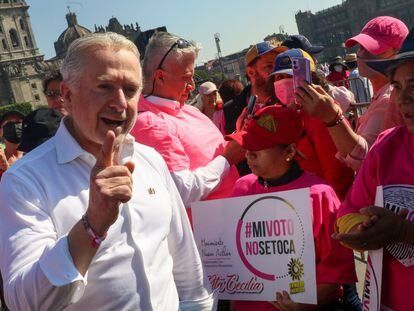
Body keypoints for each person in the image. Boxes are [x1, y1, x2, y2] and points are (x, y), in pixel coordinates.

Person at [0, 32, 214, 310]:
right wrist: (92, 225)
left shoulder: (151, 160)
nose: (121, 103)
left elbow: (186, 264)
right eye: (104, 87)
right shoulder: (24, 181)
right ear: (67, 94)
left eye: (131, 89)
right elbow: (24, 302)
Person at [226, 106, 357, 311]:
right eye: (246, 145)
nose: (248, 154)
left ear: (289, 152)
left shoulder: (319, 195)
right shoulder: (241, 187)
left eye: (258, 147)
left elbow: (338, 267)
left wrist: (303, 304)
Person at [333, 27, 414, 311]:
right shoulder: (386, 146)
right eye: (398, 87)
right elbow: (347, 213)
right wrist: (360, 229)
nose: (403, 99)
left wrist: (405, 232)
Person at [131, 32, 241, 213]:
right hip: (209, 236)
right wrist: (227, 158)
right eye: (186, 77)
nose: (192, 85)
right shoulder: (148, 122)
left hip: (234, 220)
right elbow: (182, 191)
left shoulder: (188, 110)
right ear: (160, 77)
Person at [295, 16, 408, 171]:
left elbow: (368, 160)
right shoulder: (380, 95)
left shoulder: (389, 98)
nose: (362, 54)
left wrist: (332, 118)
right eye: (361, 46)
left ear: (397, 53)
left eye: (373, 48)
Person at [269, 48, 354, 200]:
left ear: (309, 78)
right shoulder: (281, 116)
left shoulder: (321, 115)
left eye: (289, 76)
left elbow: (337, 174)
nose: (282, 82)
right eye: (277, 77)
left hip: (323, 204)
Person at [223, 41, 287, 135]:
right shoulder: (231, 109)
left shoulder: (287, 102)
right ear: (251, 72)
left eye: (277, 66)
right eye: (269, 66)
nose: (276, 72)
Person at [0, 110, 24, 179]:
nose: (15, 126)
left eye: (19, 122)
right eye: (9, 123)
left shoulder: (33, 155)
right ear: (0, 132)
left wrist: (7, 169)